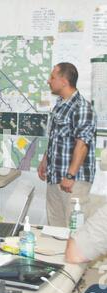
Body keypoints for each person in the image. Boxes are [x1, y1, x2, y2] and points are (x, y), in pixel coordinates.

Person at [38, 62, 96, 227]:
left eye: (52, 77)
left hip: (74, 181)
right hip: (55, 176)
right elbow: (56, 137)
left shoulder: (82, 108)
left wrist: (70, 175)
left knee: (74, 231)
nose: (49, 81)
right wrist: (45, 160)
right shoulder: (60, 105)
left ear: (64, 81)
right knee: (55, 230)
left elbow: (82, 144)